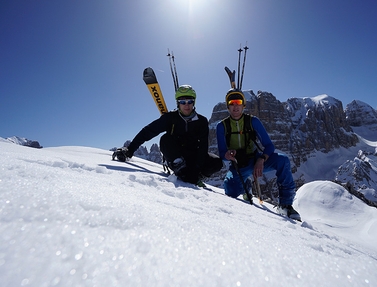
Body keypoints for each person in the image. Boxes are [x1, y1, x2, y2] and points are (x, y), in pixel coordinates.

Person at [216, 89, 301, 220]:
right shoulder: (222, 126)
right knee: (230, 191)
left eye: (238, 102)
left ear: (243, 105)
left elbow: (269, 146)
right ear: (227, 106)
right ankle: (247, 187)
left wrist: (261, 159)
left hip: (255, 159)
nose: (235, 106)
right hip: (238, 165)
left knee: (283, 161)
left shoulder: (253, 122)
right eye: (231, 103)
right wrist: (227, 155)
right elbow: (221, 153)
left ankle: (285, 205)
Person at [113, 85, 223, 186]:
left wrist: (197, 169)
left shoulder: (202, 121)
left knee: (217, 162)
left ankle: (196, 176)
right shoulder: (170, 118)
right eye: (182, 102)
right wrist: (130, 149)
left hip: (193, 156)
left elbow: (203, 146)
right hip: (176, 155)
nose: (186, 105)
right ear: (178, 103)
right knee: (165, 139)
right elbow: (149, 131)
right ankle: (180, 169)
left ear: (194, 102)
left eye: (190, 101)